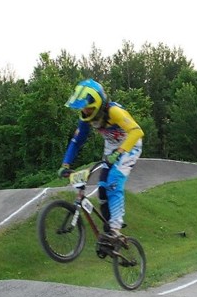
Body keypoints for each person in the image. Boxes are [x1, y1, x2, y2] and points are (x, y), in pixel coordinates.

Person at [58, 79, 144, 239]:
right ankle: (108, 227)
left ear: (98, 104)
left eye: (88, 109)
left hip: (130, 145)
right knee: (102, 187)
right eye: (83, 109)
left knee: (113, 181)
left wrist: (119, 151)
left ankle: (116, 228)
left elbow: (137, 132)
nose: (85, 113)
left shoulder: (114, 112)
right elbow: (76, 141)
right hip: (111, 149)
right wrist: (66, 163)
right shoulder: (85, 119)